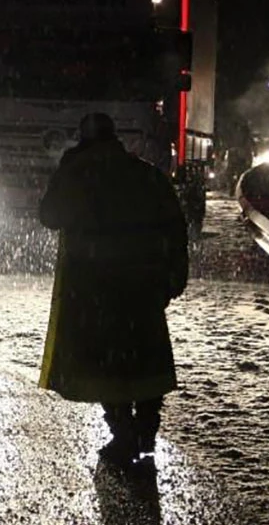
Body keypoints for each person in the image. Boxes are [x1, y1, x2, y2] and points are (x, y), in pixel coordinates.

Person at [37, 112, 189, 468]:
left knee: (105, 363)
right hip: (143, 284)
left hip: (93, 287)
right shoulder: (147, 175)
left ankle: (123, 433)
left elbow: (49, 216)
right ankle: (146, 432)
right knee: (145, 358)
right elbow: (174, 226)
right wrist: (173, 274)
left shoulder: (78, 176)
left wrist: (65, 170)